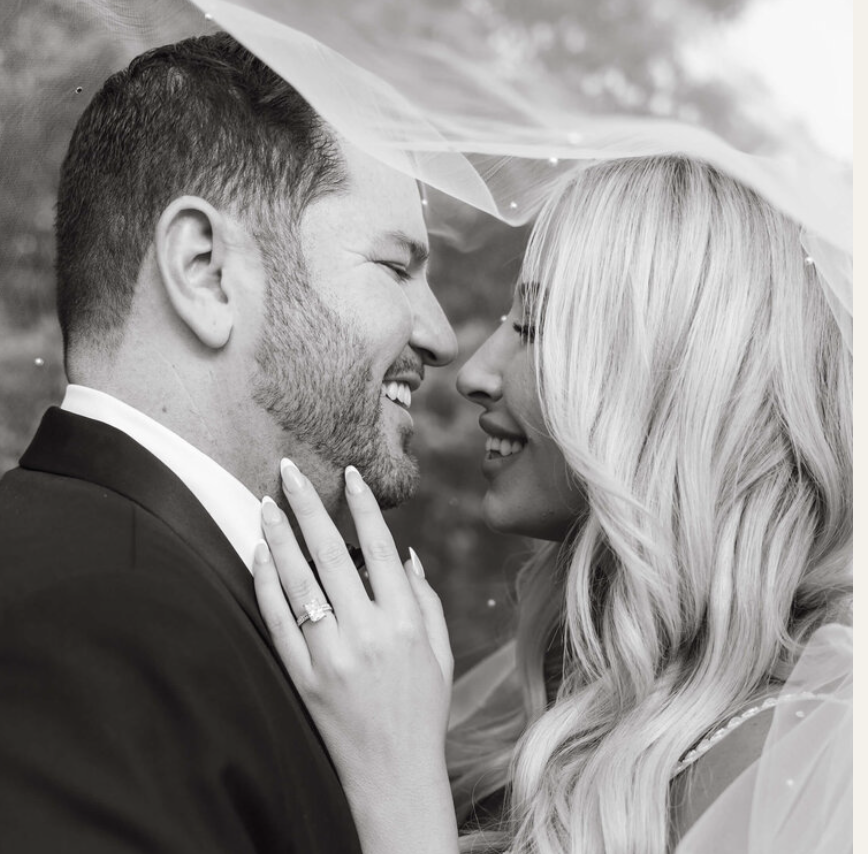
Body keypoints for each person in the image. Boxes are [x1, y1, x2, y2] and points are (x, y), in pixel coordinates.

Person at [252, 155, 853, 853]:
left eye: (534, 329)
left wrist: (398, 783)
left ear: (672, 382)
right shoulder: (544, 697)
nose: (475, 373)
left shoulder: (811, 764)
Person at [0, 32, 457, 853]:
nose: (442, 334)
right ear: (206, 270)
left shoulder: (148, 588)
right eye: (396, 268)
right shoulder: (82, 625)